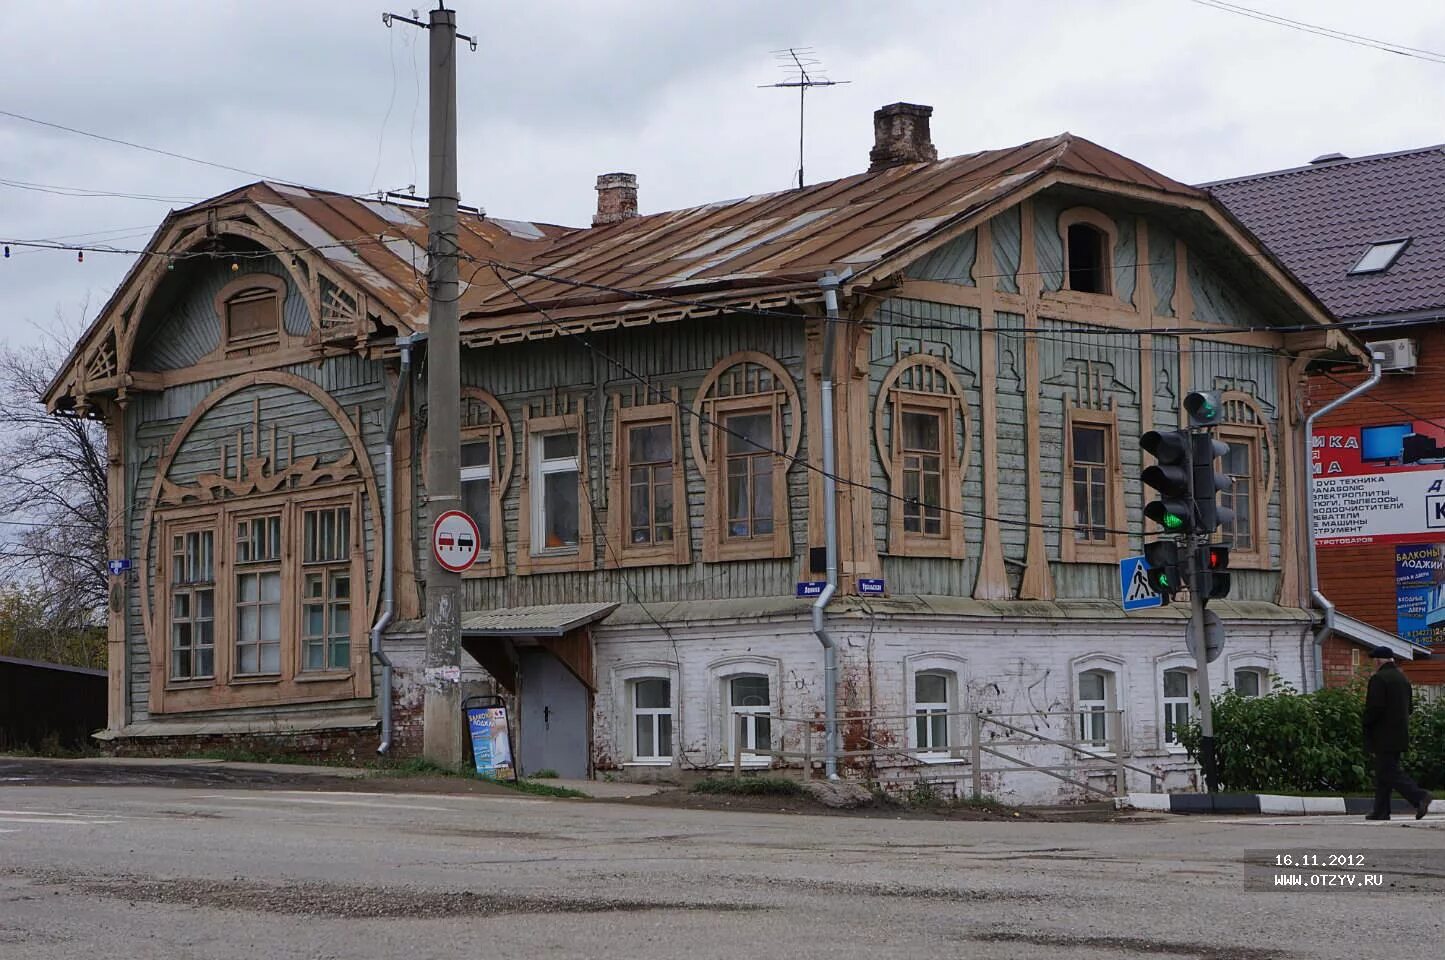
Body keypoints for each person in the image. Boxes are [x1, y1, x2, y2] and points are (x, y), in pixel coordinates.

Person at [1362, 645, 1432, 821]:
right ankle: (1381, 811)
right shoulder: (1402, 679)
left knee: (1388, 772)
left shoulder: (1379, 679)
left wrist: (1366, 722)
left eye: (1374, 661)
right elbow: (1409, 708)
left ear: (1378, 661)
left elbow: (1375, 707)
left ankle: (1419, 796)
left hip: (1382, 734)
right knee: (1384, 772)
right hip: (1400, 733)